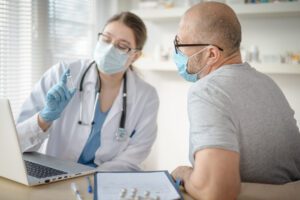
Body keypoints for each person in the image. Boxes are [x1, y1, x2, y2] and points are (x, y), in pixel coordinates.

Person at [171, 2, 300, 200]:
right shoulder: (268, 83)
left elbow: (216, 192)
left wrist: (183, 174)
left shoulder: (207, 91)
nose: (177, 53)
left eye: (180, 45)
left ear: (211, 54)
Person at [16, 12, 159, 171]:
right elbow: (14, 143)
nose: (110, 48)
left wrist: (93, 178)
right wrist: (43, 118)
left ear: (135, 56)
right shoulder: (64, 74)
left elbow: (135, 153)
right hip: (51, 175)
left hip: (104, 181)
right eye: (106, 39)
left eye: (122, 46)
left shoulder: (146, 96)